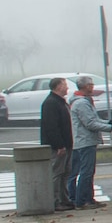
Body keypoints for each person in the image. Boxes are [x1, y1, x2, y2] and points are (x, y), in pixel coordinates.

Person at [68, 76, 104, 207]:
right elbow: (90, 123)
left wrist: (109, 123)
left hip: (83, 140)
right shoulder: (81, 103)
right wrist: (111, 127)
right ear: (86, 86)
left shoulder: (83, 101)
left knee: (87, 172)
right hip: (85, 141)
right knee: (86, 172)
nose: (93, 86)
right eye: (91, 84)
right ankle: (82, 201)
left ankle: (89, 198)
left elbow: (95, 120)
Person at [40, 77, 72, 209]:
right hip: (58, 146)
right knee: (57, 173)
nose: (67, 88)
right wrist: (59, 145)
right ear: (58, 86)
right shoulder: (51, 103)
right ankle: (55, 201)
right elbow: (51, 126)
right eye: (65, 85)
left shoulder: (60, 102)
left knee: (65, 173)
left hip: (66, 144)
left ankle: (65, 199)